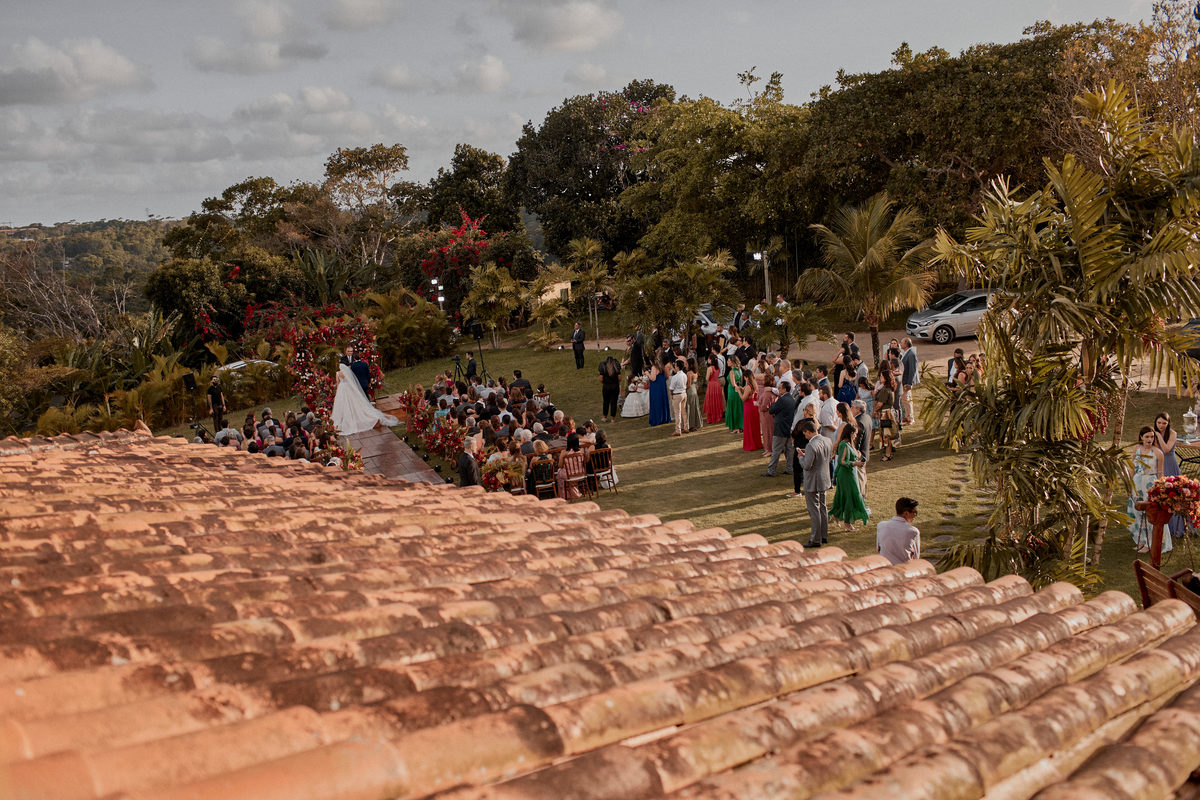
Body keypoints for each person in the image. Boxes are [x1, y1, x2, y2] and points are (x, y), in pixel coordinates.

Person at [1129, 425, 1169, 554]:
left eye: (1152, 437)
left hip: (1149, 486)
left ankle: (1149, 543)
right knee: (1137, 513)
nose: (1149, 439)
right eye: (1147, 436)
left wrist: (1160, 490)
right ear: (1141, 437)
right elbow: (1131, 468)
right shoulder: (1136, 449)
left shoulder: (1158, 453)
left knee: (1149, 515)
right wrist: (1128, 485)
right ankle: (1140, 540)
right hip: (1136, 484)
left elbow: (1160, 473)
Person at [331, 360, 398, 435]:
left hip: (341, 389)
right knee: (352, 404)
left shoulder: (337, 373)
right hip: (348, 388)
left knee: (342, 405)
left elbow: (338, 384)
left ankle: (343, 420)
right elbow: (351, 381)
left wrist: (337, 393)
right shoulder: (347, 371)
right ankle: (355, 417)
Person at [798, 420, 833, 547]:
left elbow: (807, 466)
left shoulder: (811, 445)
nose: (805, 436)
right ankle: (824, 535)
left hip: (813, 480)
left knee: (814, 510)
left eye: (805, 434)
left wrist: (801, 457)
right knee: (823, 508)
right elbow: (827, 458)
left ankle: (815, 539)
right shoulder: (827, 440)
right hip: (824, 478)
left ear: (808, 431)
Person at [830, 424, 869, 530]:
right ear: (850, 433)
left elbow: (853, 455)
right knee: (849, 497)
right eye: (855, 434)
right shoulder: (843, 444)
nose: (856, 436)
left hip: (851, 473)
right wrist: (855, 463)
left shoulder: (850, 444)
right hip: (846, 474)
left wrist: (859, 456)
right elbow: (841, 461)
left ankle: (836, 516)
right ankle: (847, 523)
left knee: (846, 496)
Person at [1154, 412, 1186, 537]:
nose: (1161, 425)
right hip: (1160, 466)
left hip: (1171, 465)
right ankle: (1164, 526)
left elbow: (1166, 449)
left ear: (1168, 423)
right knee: (1162, 495)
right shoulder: (1153, 434)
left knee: (1174, 495)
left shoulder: (1172, 433)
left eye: (1164, 423)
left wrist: (1158, 436)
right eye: (1159, 423)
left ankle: (1178, 527)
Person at [764, 381, 797, 477]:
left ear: (785, 389)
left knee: (776, 450)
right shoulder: (792, 398)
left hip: (780, 428)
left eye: (780, 388)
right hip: (789, 428)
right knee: (789, 450)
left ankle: (772, 471)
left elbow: (772, 410)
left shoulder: (782, 399)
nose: (778, 389)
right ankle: (789, 469)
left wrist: (775, 402)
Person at [877, 497, 921, 564]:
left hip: (884, 568)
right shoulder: (913, 532)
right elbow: (916, 557)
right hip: (904, 570)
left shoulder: (881, 526)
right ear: (906, 513)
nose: (915, 515)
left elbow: (879, 549)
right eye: (915, 512)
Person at [877, 374, 898, 461]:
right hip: (889, 412)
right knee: (888, 434)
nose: (880, 378)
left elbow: (880, 404)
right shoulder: (890, 388)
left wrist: (875, 410)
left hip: (886, 414)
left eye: (882, 376)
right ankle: (888, 452)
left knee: (887, 435)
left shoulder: (885, 390)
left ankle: (888, 454)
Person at [740, 370, 762, 452]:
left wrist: (739, 391)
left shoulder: (748, 386)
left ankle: (750, 444)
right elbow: (750, 394)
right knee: (755, 425)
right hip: (754, 406)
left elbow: (743, 398)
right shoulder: (754, 384)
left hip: (749, 407)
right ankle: (757, 443)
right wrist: (742, 389)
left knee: (749, 425)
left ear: (746, 377)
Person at [900, 337, 918, 424]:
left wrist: (909, 383)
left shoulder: (911, 354)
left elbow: (912, 370)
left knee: (907, 400)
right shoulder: (906, 353)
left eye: (902, 342)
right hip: (904, 380)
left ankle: (911, 418)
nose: (900, 344)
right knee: (904, 400)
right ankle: (907, 416)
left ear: (906, 344)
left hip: (907, 381)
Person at [648, 361, 671, 427]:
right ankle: (664, 417)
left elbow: (653, 378)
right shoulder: (661, 366)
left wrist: (647, 374)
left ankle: (658, 419)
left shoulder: (654, 367)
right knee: (662, 401)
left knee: (656, 402)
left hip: (656, 388)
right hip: (662, 387)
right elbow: (666, 376)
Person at [704, 354, 726, 424]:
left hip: (711, 385)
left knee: (710, 401)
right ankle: (717, 416)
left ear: (711, 360)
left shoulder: (709, 368)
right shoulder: (717, 368)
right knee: (716, 400)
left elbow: (707, 378)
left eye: (708, 359)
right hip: (717, 385)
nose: (708, 360)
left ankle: (711, 418)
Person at [599, 357, 621, 423]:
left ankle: (604, 417)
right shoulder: (616, 367)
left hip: (606, 386)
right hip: (615, 386)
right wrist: (616, 382)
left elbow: (601, 378)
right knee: (614, 402)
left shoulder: (603, 367)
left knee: (606, 402)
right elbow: (620, 378)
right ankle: (612, 419)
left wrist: (605, 382)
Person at [669, 359, 688, 436]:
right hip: (684, 393)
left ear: (677, 367)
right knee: (684, 412)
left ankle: (678, 430)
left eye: (675, 365)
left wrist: (672, 394)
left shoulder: (675, 377)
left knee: (677, 413)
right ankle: (686, 427)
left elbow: (671, 389)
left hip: (677, 394)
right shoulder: (684, 375)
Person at [725, 360, 744, 432]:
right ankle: (740, 426)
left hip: (732, 391)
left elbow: (733, 384)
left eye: (729, 361)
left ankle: (736, 427)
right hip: (739, 390)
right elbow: (741, 381)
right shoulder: (739, 370)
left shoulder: (732, 371)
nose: (728, 362)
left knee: (733, 408)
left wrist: (736, 387)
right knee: (738, 408)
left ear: (733, 362)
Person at [685, 357, 703, 433]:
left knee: (689, 408)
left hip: (690, 391)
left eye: (686, 363)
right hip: (694, 390)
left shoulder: (689, 373)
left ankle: (690, 425)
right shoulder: (695, 372)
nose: (685, 365)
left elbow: (688, 385)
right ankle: (695, 424)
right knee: (695, 407)